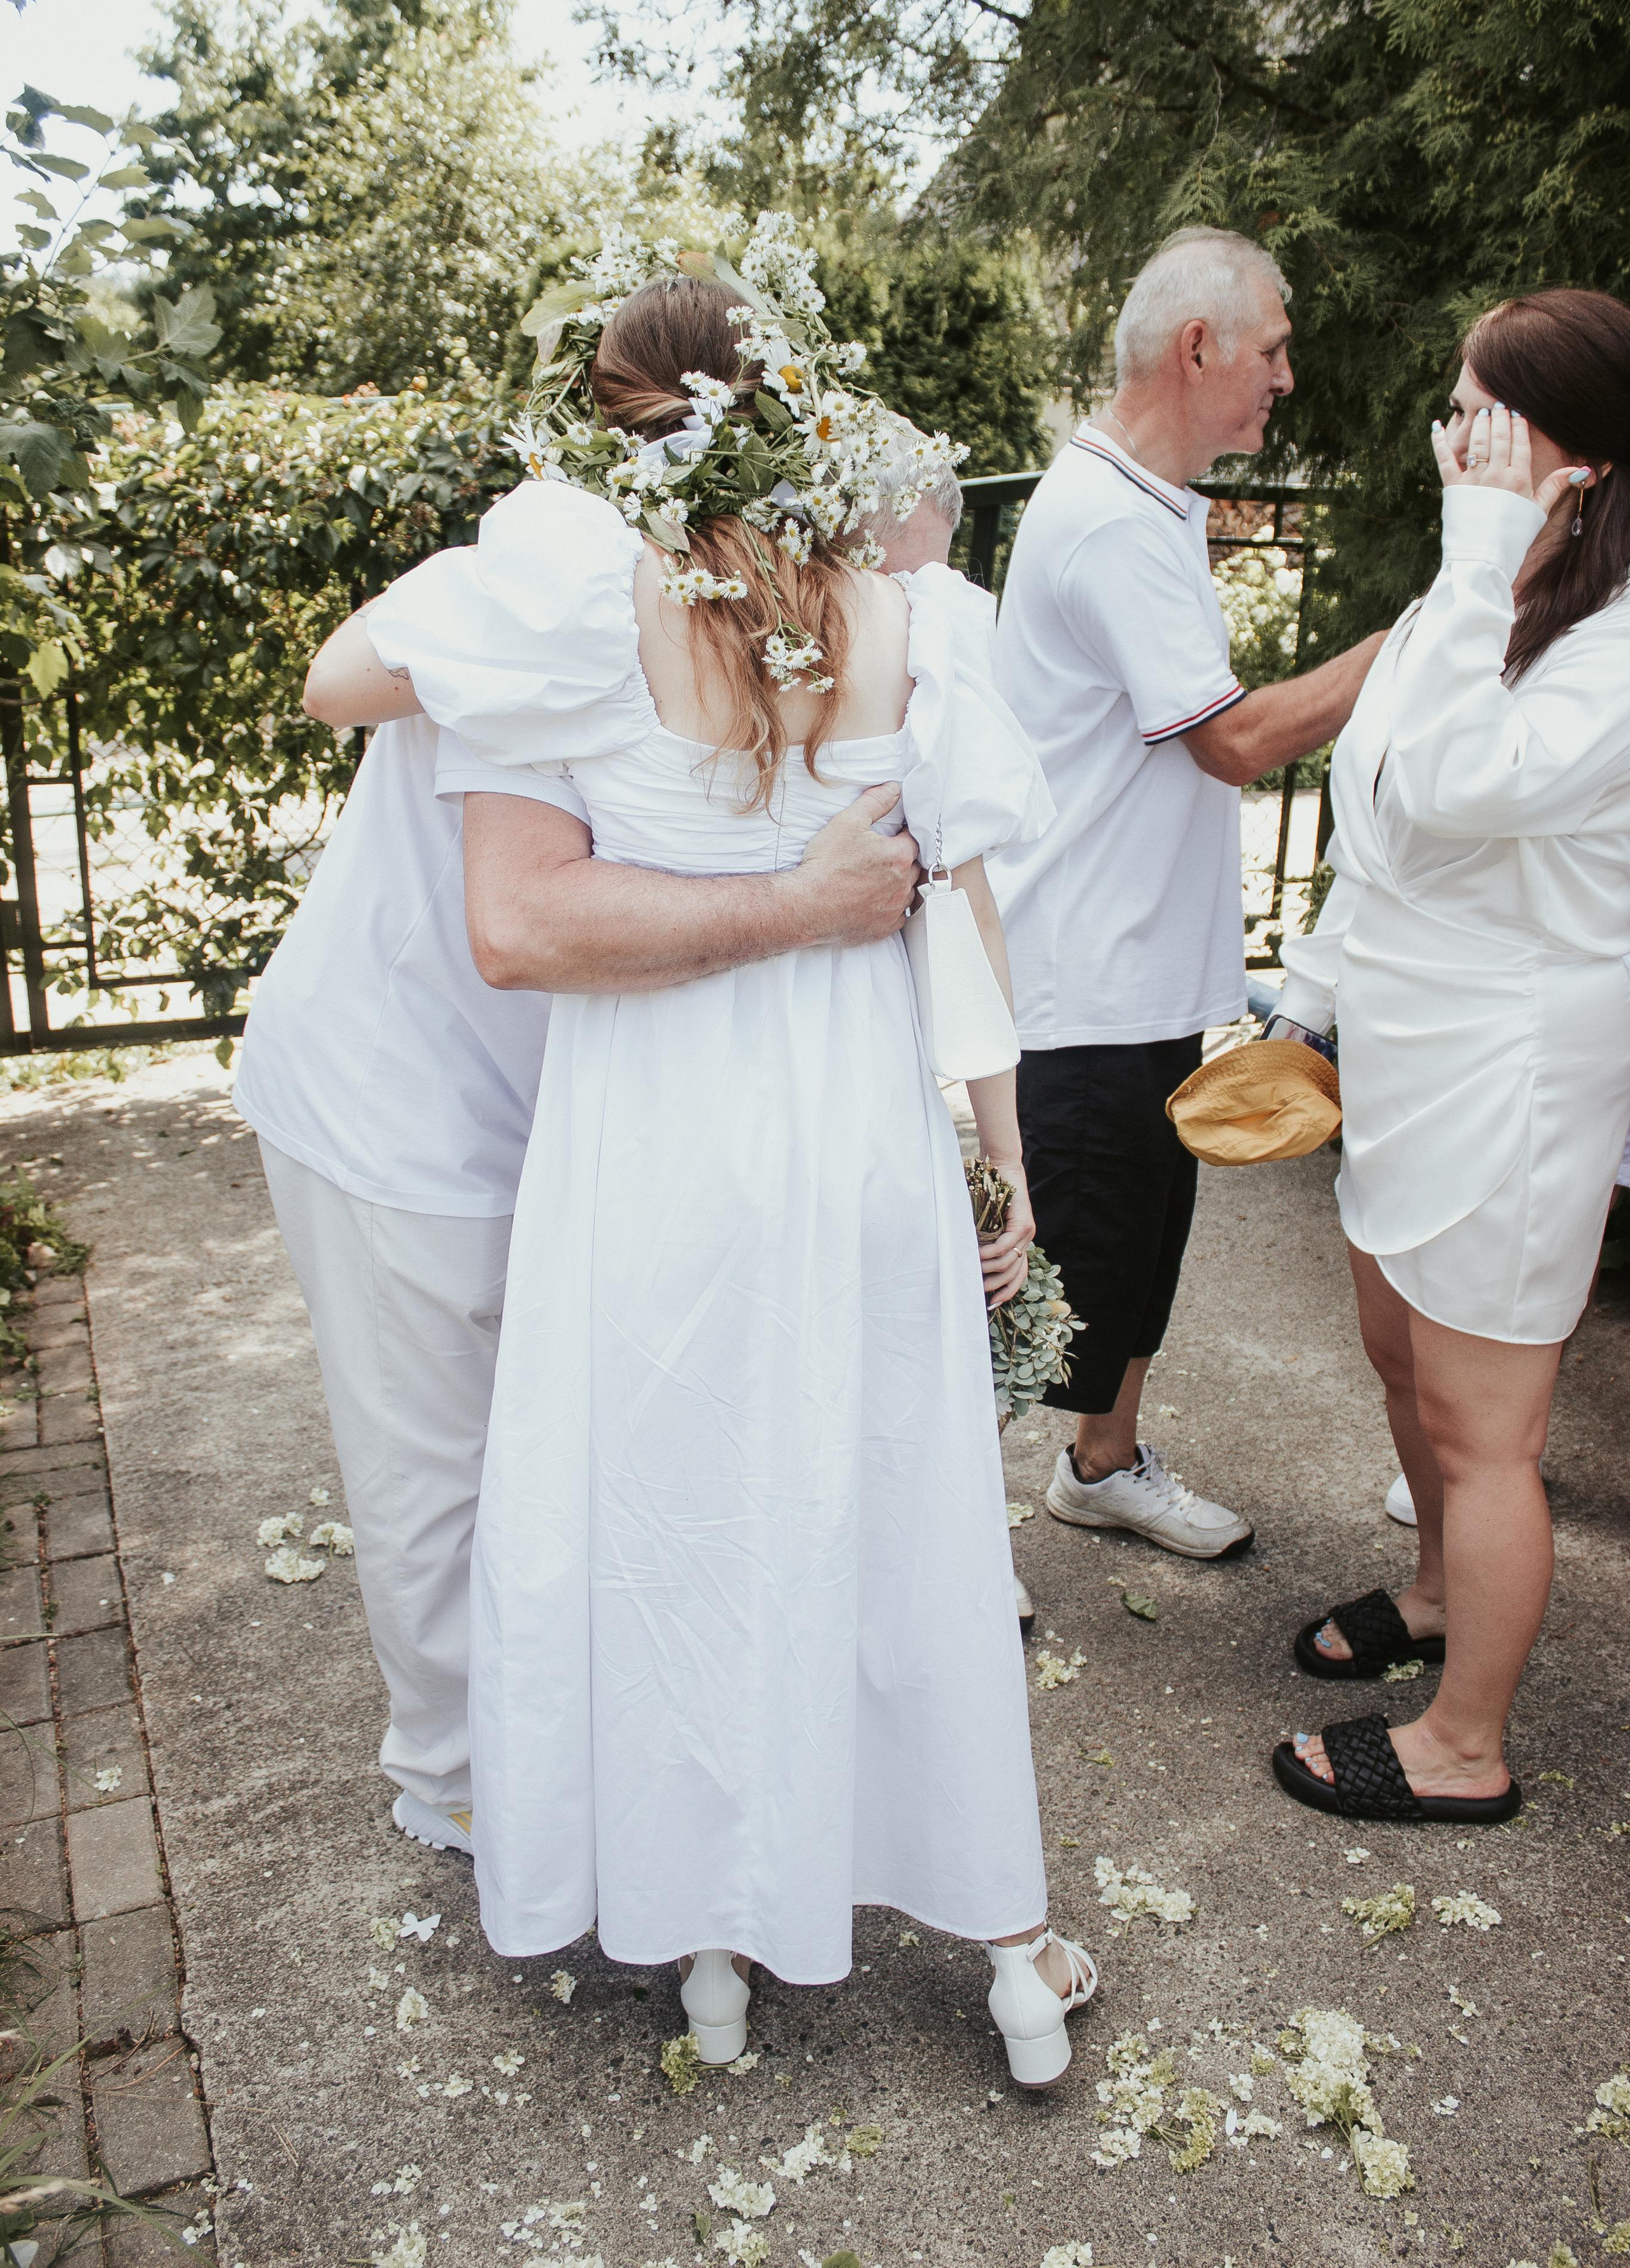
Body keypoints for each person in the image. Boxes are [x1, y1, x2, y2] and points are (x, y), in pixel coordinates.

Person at [302, 247, 1100, 2087]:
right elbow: (964, 912)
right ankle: (1002, 1948)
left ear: (609, 409)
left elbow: (485, 875)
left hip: (656, 1139)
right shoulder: (911, 617)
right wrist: (1002, 1167)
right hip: (859, 1133)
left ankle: (712, 1938)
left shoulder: (565, 604)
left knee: (673, 1513)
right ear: (804, 403)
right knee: (892, 1510)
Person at [239, 584, 921, 1861]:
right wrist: (800, 902)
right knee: (434, 1476)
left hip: (576, 1114)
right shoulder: (537, 585)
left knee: (568, 1458)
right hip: (396, 1092)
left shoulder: (786, 624)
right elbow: (342, 690)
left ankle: (569, 1753)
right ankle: (461, 1789)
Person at [1270, 288, 1630, 1825]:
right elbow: (1380, 821)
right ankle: (1431, 1590)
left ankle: (1462, 1745)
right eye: (1454, 404)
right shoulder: (1462, 596)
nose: (1455, 438)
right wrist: (1310, 999)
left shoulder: (1611, 647)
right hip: (1408, 1042)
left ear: (1584, 456)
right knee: (1403, 1359)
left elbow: (1461, 788)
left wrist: (1477, 548)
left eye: (1490, 410)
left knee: (1488, 1426)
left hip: (1514, 1065)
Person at [991, 227, 1385, 1558]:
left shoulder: (1150, 500)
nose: (1286, 376)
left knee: (1136, 1253)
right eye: (1271, 347)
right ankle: (920, 1553)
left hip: (1137, 969)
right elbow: (1229, 738)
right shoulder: (1105, 519)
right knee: (1046, 1282)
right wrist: (1403, 647)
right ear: (1197, 346)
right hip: (1084, 976)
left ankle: (1099, 1469)